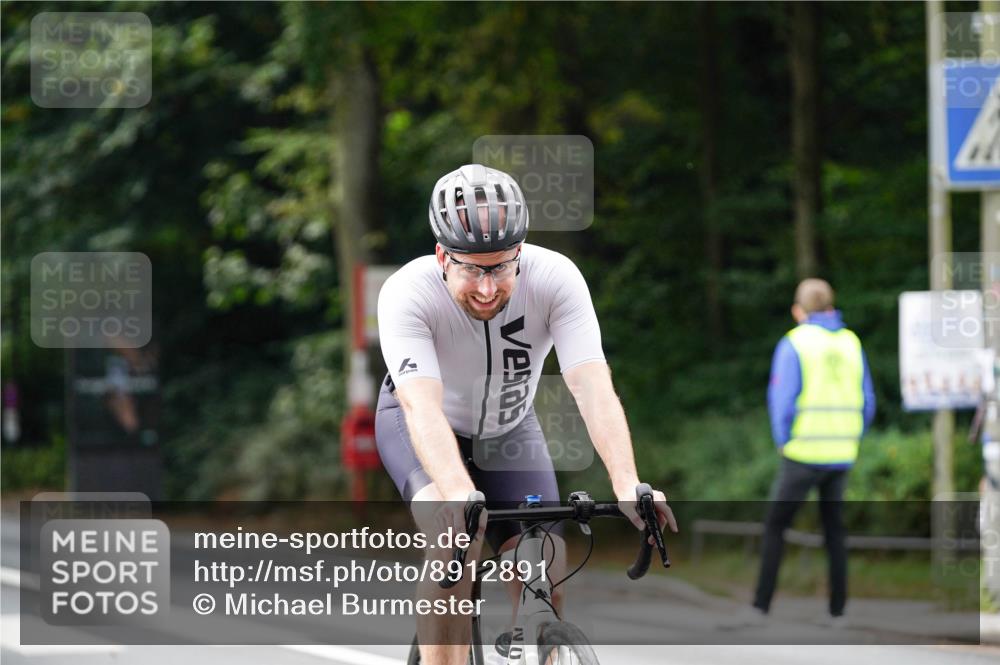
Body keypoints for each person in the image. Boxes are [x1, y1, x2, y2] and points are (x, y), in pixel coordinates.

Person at [375, 164, 676, 664]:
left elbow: (593, 386)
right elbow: (420, 404)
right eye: (472, 268)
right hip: (421, 428)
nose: (488, 289)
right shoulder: (407, 293)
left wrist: (628, 484)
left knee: (544, 569)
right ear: (442, 258)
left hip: (509, 427)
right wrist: (456, 493)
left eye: (500, 268)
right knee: (454, 545)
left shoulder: (556, 279)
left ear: (520, 254)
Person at [726, 278, 875, 629]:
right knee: (835, 531)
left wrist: (783, 440)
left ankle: (761, 607)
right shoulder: (852, 342)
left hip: (803, 453)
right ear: (830, 307)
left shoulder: (796, 342)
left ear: (798, 310)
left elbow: (782, 400)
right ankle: (838, 612)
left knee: (775, 527)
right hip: (842, 452)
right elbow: (868, 399)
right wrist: (853, 436)